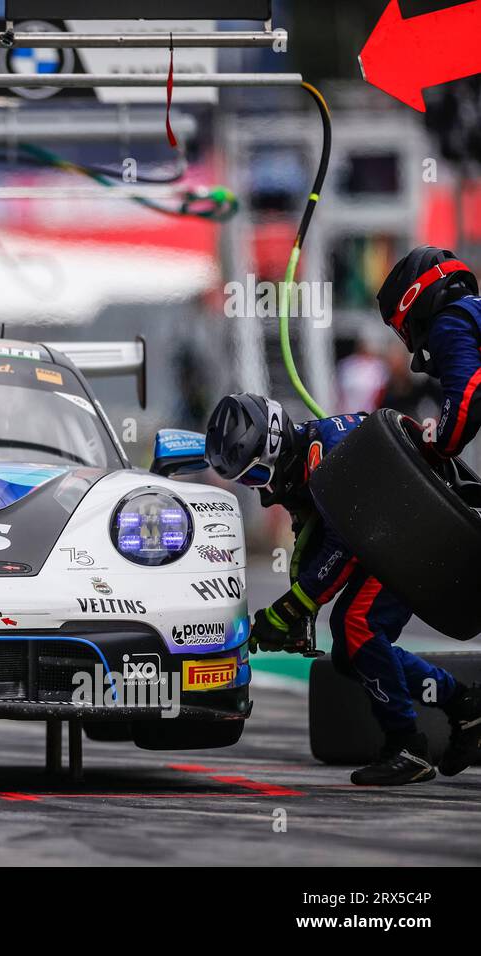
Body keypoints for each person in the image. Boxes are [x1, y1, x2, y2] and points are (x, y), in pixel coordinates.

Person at [206, 393, 481, 786]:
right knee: (350, 656)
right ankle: (464, 705)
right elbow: (310, 543)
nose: (259, 491)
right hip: (395, 535)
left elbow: (344, 546)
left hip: (418, 534)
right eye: (246, 482)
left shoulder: (330, 455)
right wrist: (299, 617)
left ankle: (408, 746)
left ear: (274, 447)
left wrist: (286, 611)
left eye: (255, 476)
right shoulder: (302, 459)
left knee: (357, 626)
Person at [377, 245, 481, 459]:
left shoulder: (452, 321)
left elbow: (465, 400)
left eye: (402, 329)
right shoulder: (471, 312)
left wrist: (435, 448)